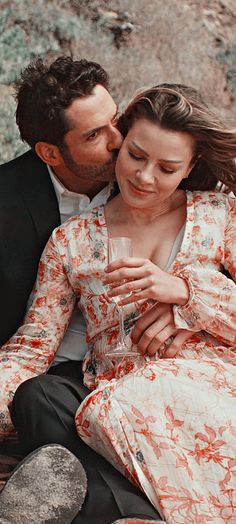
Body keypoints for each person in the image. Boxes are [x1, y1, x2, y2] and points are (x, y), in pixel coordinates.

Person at [4, 83, 235, 523]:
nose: (145, 177)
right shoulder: (71, 241)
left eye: (167, 168)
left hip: (202, 389)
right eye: (135, 156)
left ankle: (110, 509)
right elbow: (33, 343)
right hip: (111, 401)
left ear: (191, 168)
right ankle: (128, 513)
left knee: (133, 400)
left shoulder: (219, 215)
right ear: (121, 141)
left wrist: (188, 291)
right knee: (37, 396)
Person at [0, 56, 163, 523]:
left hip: (139, 363)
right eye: (94, 135)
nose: (118, 141)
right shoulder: (6, 200)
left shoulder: (151, 176)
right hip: (49, 370)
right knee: (38, 400)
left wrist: (182, 301)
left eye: (114, 121)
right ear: (50, 153)